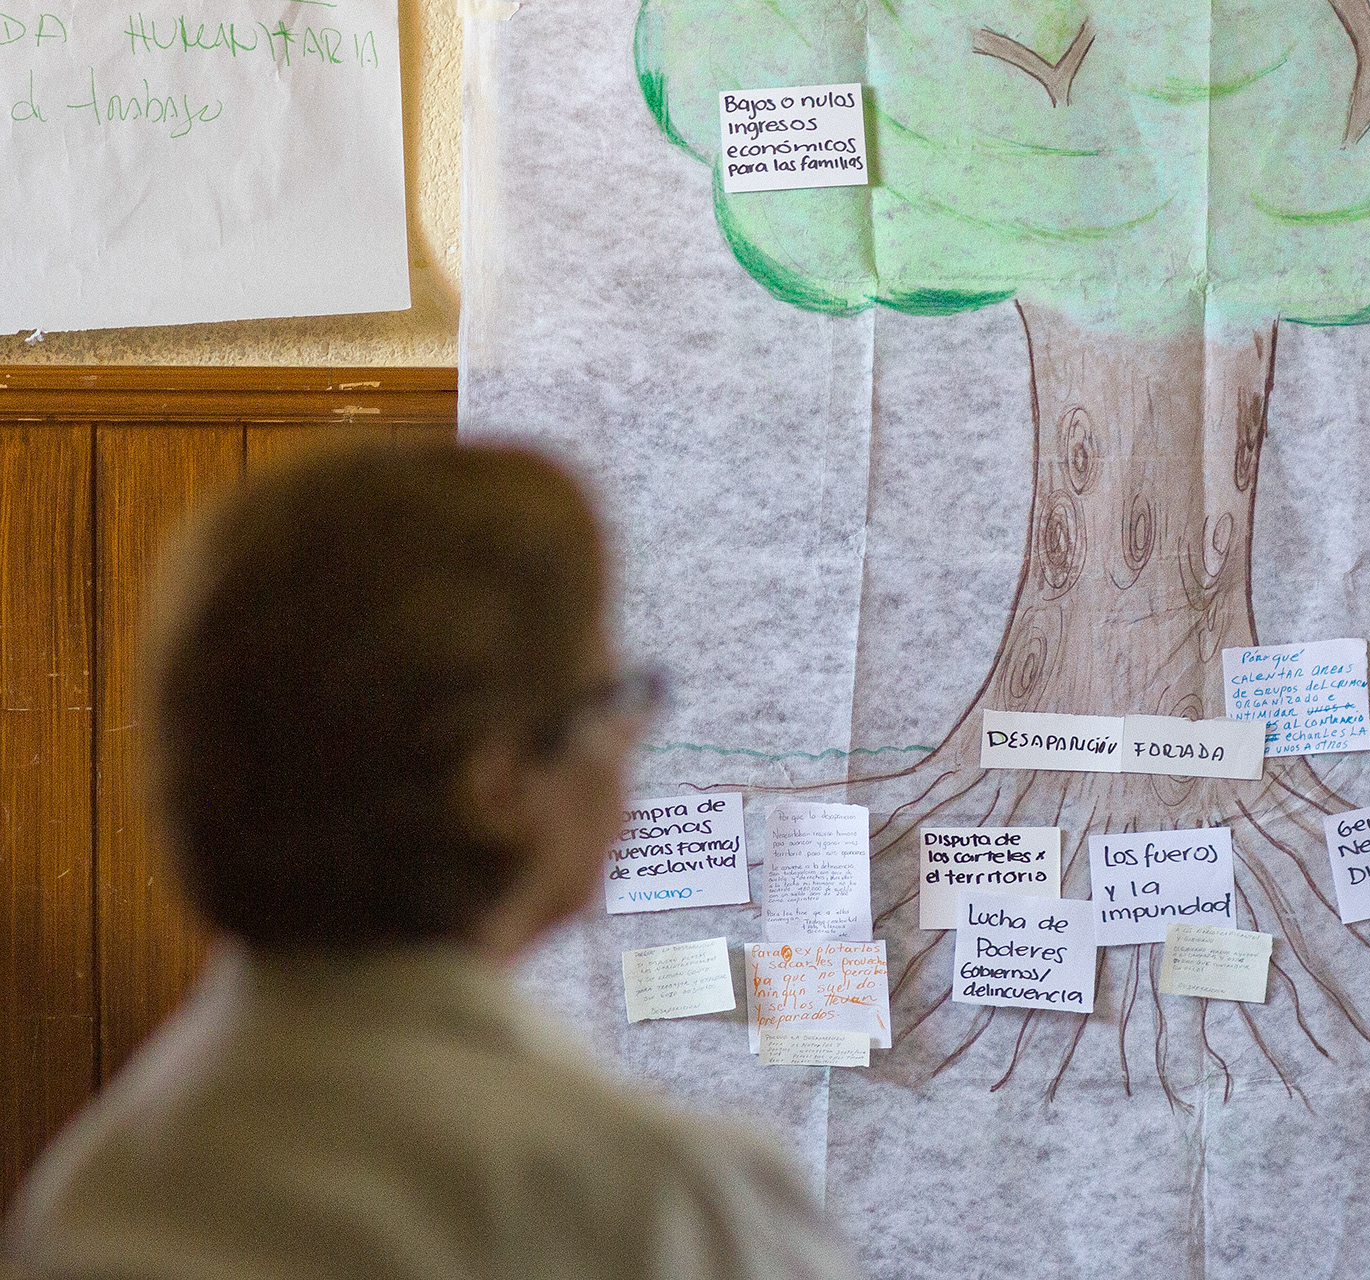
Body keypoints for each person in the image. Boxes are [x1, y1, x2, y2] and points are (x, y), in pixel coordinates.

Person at [4, 442, 855, 1280]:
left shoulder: (93, 1188)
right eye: (613, 696)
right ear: (497, 784)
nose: (632, 738)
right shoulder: (662, 1209)